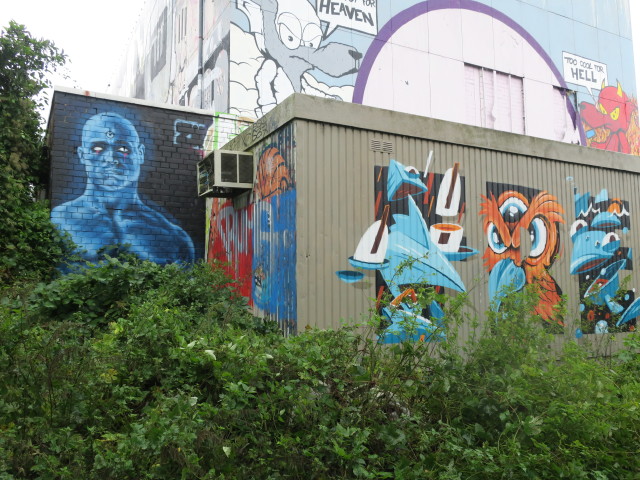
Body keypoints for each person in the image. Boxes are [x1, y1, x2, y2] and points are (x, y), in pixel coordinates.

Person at [51, 112, 195, 263]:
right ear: (82, 155)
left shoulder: (173, 236)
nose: (111, 159)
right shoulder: (59, 220)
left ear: (140, 153)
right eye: (98, 149)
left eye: (123, 149)